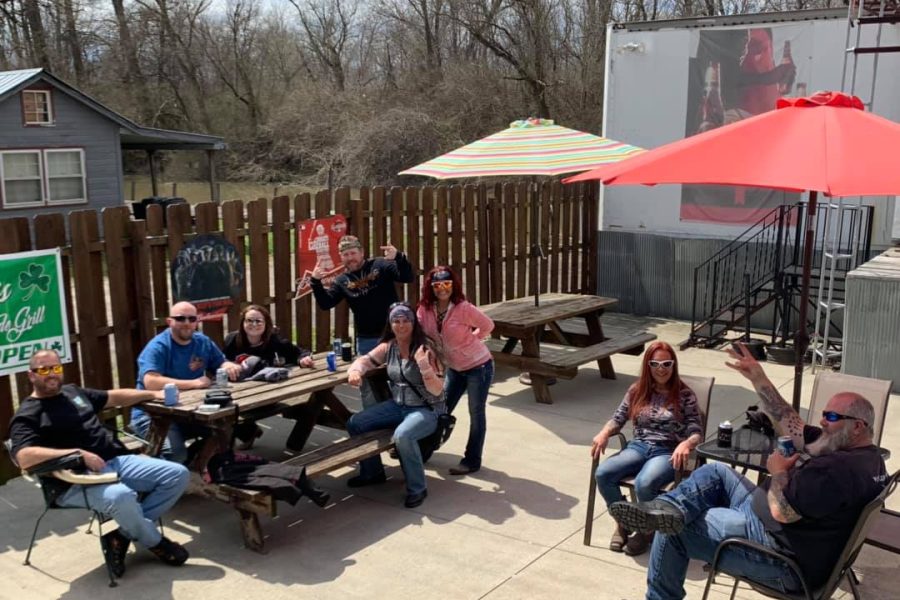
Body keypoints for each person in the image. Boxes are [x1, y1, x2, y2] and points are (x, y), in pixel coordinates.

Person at [609, 344, 887, 600]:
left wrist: (778, 472)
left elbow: (783, 513)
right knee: (716, 472)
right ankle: (665, 508)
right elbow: (791, 423)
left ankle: (663, 539)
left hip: (781, 558)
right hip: (775, 525)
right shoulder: (867, 456)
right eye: (825, 414)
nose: (824, 422)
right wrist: (758, 377)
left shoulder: (835, 470)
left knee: (675, 532)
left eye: (833, 417)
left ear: (858, 426)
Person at [8, 350, 191, 577]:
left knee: (178, 474)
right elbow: (23, 456)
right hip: (74, 480)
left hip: (115, 460)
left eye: (56, 368)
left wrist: (152, 394)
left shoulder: (72, 392)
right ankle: (157, 543)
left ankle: (121, 535)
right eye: (44, 370)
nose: (52, 374)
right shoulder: (28, 414)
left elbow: (113, 397)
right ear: (31, 375)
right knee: (122, 497)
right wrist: (78, 453)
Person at [590, 341, 703, 556]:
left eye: (666, 363)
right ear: (648, 365)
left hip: (667, 450)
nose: (661, 369)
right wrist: (604, 432)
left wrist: (686, 443)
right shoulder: (637, 390)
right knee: (603, 473)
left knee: (644, 483)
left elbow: (696, 430)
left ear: (673, 365)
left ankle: (645, 531)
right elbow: (618, 418)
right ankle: (623, 522)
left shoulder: (685, 395)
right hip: (638, 446)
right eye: (655, 363)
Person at [344, 303, 444, 508]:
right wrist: (355, 371)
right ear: (390, 325)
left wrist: (424, 366)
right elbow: (365, 360)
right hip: (398, 406)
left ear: (413, 322)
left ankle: (417, 488)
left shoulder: (426, 348)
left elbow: (438, 390)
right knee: (356, 423)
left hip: (426, 409)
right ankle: (372, 473)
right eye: (396, 321)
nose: (401, 325)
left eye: (406, 320)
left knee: (402, 436)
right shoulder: (389, 346)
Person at [309, 235, 415, 407]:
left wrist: (399, 257)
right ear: (341, 257)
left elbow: (407, 276)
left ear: (362, 252)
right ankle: (372, 421)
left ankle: (403, 412)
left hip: (394, 336)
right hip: (367, 339)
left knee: (400, 377)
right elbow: (326, 303)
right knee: (367, 385)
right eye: (345, 255)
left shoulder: (380, 265)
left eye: (353, 253)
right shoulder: (342, 281)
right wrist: (315, 282)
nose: (350, 258)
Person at [130, 301, 242, 464]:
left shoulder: (202, 341)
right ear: (170, 322)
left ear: (197, 321)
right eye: (181, 318)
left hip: (189, 411)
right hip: (153, 416)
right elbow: (151, 382)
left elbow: (220, 362)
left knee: (224, 433)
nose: (187, 323)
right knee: (176, 455)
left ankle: (195, 470)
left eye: (192, 319)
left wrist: (229, 365)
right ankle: (157, 477)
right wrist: (194, 383)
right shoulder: (158, 346)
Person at [416, 266, 494, 476]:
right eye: (437, 285)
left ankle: (471, 460)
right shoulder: (425, 309)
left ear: (453, 285)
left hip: (479, 366)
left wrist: (472, 340)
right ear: (430, 287)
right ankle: (424, 450)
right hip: (455, 369)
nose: (442, 289)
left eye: (447, 284)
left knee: (476, 413)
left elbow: (488, 325)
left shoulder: (463, 308)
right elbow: (421, 334)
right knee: (441, 410)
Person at [222, 304, 315, 448]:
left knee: (233, 412)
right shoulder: (232, 339)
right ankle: (248, 433)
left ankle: (247, 434)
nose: (254, 324)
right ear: (243, 323)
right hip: (239, 393)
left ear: (266, 323)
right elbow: (222, 361)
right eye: (249, 320)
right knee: (223, 409)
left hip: (267, 394)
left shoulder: (274, 340)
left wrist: (303, 359)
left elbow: (298, 353)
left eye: (258, 321)